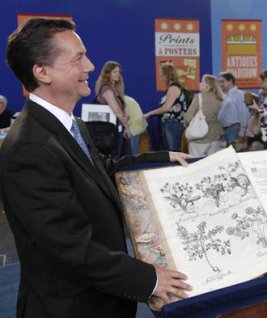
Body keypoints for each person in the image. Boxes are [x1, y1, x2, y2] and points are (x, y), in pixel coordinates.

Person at [0, 18, 192, 317]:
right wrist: (151, 279)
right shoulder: (29, 147)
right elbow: (69, 247)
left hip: (102, 298)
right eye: (78, 58)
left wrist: (161, 159)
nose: (90, 66)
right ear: (42, 71)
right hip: (70, 307)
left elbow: (104, 170)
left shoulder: (72, 125)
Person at [143, 64, 191, 152]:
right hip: (170, 124)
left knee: (173, 151)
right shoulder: (172, 88)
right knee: (169, 151)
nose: (160, 77)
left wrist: (150, 113)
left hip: (173, 124)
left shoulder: (173, 88)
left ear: (167, 75)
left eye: (162, 75)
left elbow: (166, 108)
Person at [95, 61, 130, 158]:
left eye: (119, 72)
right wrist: (126, 127)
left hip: (118, 128)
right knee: (114, 159)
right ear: (108, 74)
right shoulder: (106, 89)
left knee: (120, 158)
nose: (118, 74)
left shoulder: (116, 89)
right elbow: (116, 110)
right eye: (115, 72)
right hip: (110, 131)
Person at [184, 74, 224, 157]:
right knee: (213, 163)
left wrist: (187, 125)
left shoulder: (199, 97)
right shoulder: (220, 99)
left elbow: (188, 118)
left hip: (198, 138)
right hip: (214, 136)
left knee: (197, 163)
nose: (199, 83)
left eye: (202, 82)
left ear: (208, 85)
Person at [217, 72, 249, 146]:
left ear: (230, 81)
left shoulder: (239, 94)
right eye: (219, 82)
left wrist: (242, 132)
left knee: (236, 155)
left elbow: (243, 113)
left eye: (222, 81)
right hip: (225, 131)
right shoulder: (225, 95)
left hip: (234, 131)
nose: (220, 84)